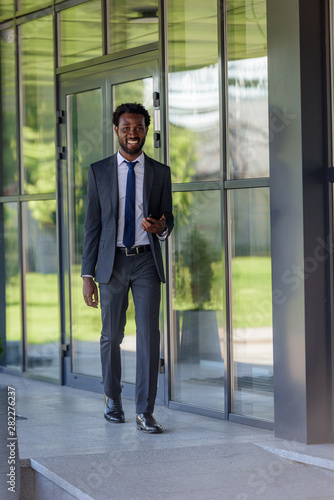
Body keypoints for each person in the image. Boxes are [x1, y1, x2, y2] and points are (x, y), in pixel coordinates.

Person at [81, 102, 174, 434]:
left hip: (147, 260)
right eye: (126, 127)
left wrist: (161, 226)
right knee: (112, 336)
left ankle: (144, 412)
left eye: (138, 127)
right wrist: (87, 275)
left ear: (146, 130)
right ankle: (112, 400)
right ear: (116, 130)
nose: (132, 133)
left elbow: (167, 219)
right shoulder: (99, 171)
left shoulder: (160, 172)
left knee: (149, 337)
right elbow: (92, 226)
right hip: (112, 264)